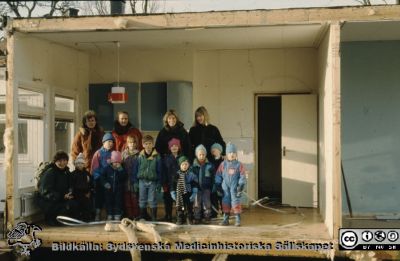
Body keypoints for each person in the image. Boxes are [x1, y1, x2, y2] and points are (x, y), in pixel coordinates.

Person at [36, 151, 77, 226]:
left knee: (74, 204)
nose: (62, 163)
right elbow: (45, 191)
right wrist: (61, 196)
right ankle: (51, 219)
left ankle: (62, 219)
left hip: (61, 198)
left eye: (64, 160)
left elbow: (71, 185)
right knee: (62, 207)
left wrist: (70, 192)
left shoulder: (66, 172)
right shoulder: (50, 172)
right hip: (48, 201)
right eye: (59, 161)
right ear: (55, 161)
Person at [215, 143, 247, 227]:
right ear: (226, 154)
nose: (231, 154)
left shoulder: (239, 165)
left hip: (234, 187)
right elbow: (218, 175)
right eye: (229, 153)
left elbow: (242, 175)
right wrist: (218, 185)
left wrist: (241, 185)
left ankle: (238, 219)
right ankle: (226, 219)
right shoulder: (223, 164)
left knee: (235, 201)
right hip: (225, 187)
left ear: (236, 154)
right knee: (225, 201)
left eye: (233, 152)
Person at [134, 135, 162, 221]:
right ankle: (143, 216)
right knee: (142, 199)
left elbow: (159, 170)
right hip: (142, 181)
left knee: (152, 199)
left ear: (153, 145)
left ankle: (153, 217)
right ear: (143, 145)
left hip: (152, 181)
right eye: (146, 144)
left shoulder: (157, 156)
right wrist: (135, 182)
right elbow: (135, 169)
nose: (148, 146)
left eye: (150, 143)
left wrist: (159, 182)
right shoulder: (139, 156)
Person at [91, 132, 115, 221]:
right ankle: (97, 214)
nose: (110, 143)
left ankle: (109, 214)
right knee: (99, 198)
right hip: (99, 179)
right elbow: (94, 168)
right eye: (108, 141)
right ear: (103, 142)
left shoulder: (113, 153)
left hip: (110, 179)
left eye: (112, 142)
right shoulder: (98, 153)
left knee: (109, 197)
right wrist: (99, 180)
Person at [170, 156, 198, 225]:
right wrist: (173, 192)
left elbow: (195, 184)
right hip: (179, 194)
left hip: (188, 193)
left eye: (186, 164)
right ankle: (180, 218)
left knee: (189, 207)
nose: (184, 166)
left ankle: (189, 218)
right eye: (183, 164)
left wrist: (194, 192)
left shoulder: (191, 175)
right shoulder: (176, 174)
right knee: (180, 207)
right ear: (180, 165)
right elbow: (173, 184)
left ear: (188, 165)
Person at [191, 144, 214, 224]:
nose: (201, 156)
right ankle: (197, 217)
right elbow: (191, 178)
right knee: (197, 203)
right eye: (200, 154)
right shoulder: (193, 166)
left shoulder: (209, 165)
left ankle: (207, 217)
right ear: (197, 155)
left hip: (206, 188)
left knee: (207, 203)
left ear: (205, 155)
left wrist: (213, 186)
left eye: (203, 154)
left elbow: (213, 177)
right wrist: (192, 187)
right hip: (196, 189)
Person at [162, 138, 183, 222]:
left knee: (179, 200)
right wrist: (163, 182)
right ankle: (168, 215)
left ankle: (180, 215)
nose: (174, 147)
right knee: (167, 200)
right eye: (172, 146)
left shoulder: (182, 157)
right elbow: (163, 171)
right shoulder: (166, 158)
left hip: (179, 183)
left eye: (176, 145)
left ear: (179, 147)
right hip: (168, 183)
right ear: (169, 148)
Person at [101, 151, 126, 221]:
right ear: (111, 162)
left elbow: (124, 177)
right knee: (109, 202)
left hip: (118, 190)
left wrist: (120, 170)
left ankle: (117, 214)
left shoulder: (121, 169)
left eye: (118, 162)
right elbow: (102, 177)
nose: (116, 164)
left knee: (118, 202)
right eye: (115, 162)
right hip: (109, 190)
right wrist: (105, 183)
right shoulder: (107, 168)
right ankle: (109, 214)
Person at [122, 135, 140, 219]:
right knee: (126, 199)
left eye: (133, 143)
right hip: (125, 180)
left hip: (135, 181)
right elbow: (120, 166)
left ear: (136, 144)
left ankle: (136, 215)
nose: (132, 144)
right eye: (130, 143)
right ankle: (129, 215)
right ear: (127, 144)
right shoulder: (123, 154)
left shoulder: (139, 154)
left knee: (135, 199)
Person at [70, 153, 93, 222]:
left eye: (82, 163)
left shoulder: (87, 174)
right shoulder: (73, 174)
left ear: (84, 164)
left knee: (87, 205)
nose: (80, 165)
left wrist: (89, 191)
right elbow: (71, 184)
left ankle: (86, 218)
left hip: (86, 193)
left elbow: (91, 183)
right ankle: (77, 218)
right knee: (77, 206)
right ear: (76, 164)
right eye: (78, 163)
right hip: (76, 194)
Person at [209, 143, 224, 218]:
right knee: (214, 198)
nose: (213, 151)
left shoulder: (224, 161)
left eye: (215, 150)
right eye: (212, 150)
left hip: (222, 183)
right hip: (213, 183)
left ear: (220, 150)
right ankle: (214, 214)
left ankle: (225, 213)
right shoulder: (210, 161)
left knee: (222, 198)